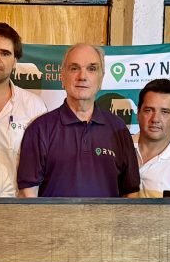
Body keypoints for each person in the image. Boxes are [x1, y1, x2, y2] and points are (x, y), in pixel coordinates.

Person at [17, 43, 139, 198]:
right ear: (62, 76)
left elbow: (130, 193)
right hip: (53, 216)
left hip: (108, 216)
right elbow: (28, 194)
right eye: (74, 68)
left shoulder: (119, 129)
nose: (82, 76)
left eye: (92, 69)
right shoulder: (39, 129)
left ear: (101, 78)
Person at [0, 22, 47, 190]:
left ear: (15, 61)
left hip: (17, 205)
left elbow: (43, 168)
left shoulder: (34, 107)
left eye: (5, 53)